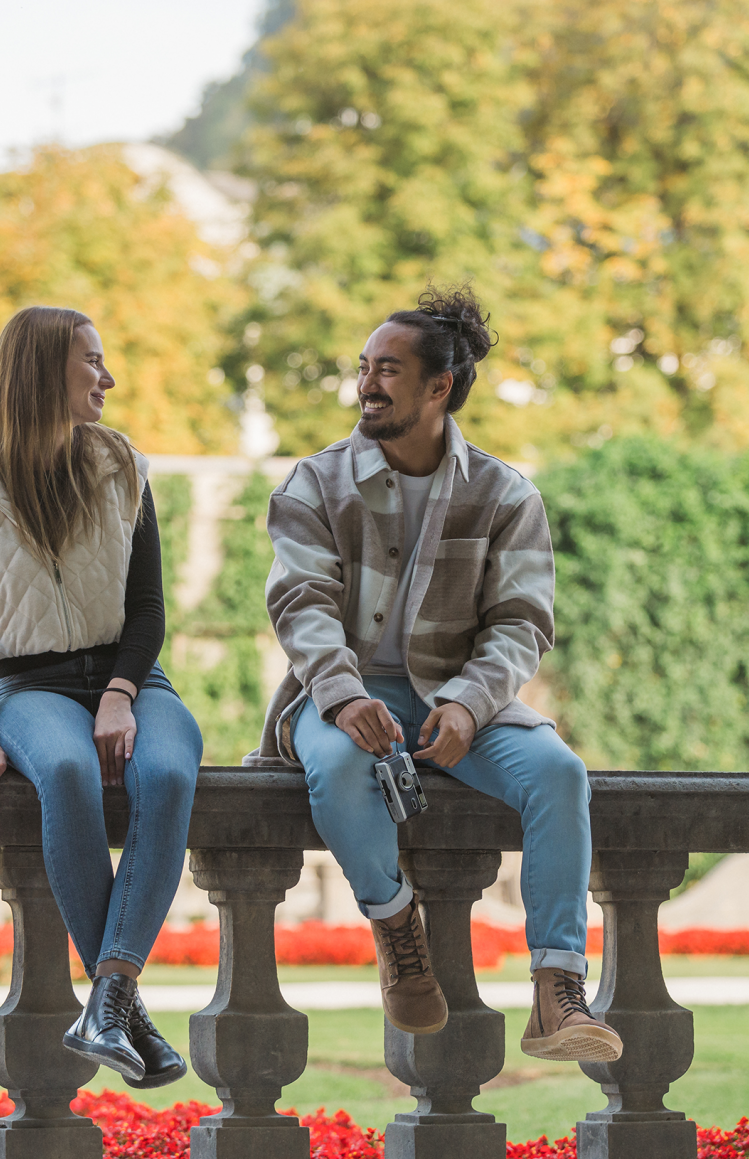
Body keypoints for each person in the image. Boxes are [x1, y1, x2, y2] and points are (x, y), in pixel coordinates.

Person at [247, 285, 622, 1064]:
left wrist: (468, 703)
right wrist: (342, 694)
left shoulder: (505, 494)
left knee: (558, 774)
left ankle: (558, 991)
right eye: (363, 367)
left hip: (458, 696)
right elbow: (300, 602)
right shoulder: (316, 484)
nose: (366, 384)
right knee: (346, 766)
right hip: (337, 694)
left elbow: (522, 622)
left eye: (387, 369)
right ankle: (395, 928)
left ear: (438, 387)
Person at [0, 305, 203, 1088]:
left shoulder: (120, 465)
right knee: (67, 773)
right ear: (43, 370)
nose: (107, 378)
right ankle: (122, 1008)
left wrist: (119, 692)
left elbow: (148, 610)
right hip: (26, 682)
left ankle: (107, 998)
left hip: (131, 677)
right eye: (92, 362)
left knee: (171, 774)